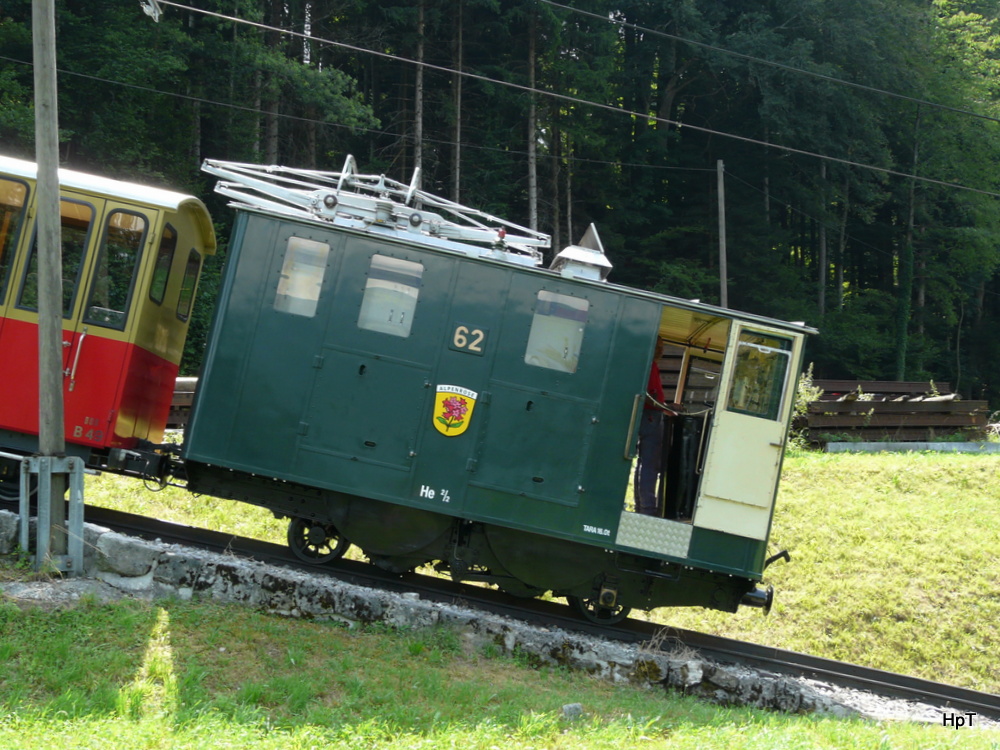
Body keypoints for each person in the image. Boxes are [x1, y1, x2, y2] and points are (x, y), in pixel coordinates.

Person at [636, 338, 677, 516]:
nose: (661, 350)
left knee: (642, 464)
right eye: (659, 346)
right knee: (649, 465)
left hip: (648, 414)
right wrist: (667, 408)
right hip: (651, 417)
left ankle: (641, 504)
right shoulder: (649, 365)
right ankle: (648, 507)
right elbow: (651, 397)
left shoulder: (641, 363)